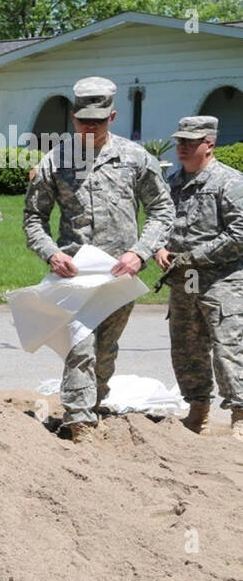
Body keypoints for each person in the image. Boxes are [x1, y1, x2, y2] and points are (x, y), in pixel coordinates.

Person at [24, 76, 174, 441]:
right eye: (83, 121)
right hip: (75, 274)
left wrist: (140, 254)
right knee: (80, 346)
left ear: (113, 117)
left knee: (105, 349)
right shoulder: (55, 160)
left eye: (98, 121)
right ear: (73, 118)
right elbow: (33, 218)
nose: (90, 127)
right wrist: (51, 253)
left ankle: (94, 404)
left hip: (120, 275)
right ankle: (79, 422)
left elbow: (162, 209)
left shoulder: (135, 158)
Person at [155, 115, 243, 439]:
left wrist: (195, 256)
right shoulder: (173, 181)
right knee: (187, 343)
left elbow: (240, 232)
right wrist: (159, 248)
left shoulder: (229, 182)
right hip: (187, 278)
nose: (182, 147)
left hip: (223, 278)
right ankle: (198, 412)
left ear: (210, 144)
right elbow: (161, 221)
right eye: (180, 141)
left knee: (227, 346)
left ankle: (240, 416)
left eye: (191, 142)